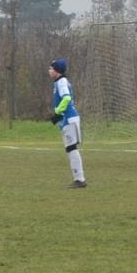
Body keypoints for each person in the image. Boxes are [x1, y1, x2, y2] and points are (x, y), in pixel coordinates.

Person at [48, 59, 86, 189]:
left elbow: (66, 98)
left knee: (71, 148)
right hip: (67, 119)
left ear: (57, 70)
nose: (49, 71)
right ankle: (79, 179)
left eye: (51, 68)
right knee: (70, 149)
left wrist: (58, 112)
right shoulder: (59, 82)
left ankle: (79, 179)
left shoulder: (61, 82)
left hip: (69, 119)